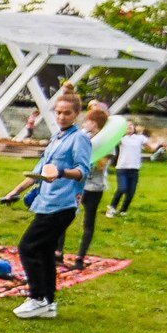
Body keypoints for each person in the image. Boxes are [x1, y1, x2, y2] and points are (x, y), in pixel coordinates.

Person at [13, 99, 93, 320]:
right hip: (46, 202)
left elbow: (83, 171)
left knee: (28, 247)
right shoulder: (57, 138)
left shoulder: (79, 139)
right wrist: (16, 192)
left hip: (63, 203)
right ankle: (48, 302)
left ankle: (36, 298)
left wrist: (61, 172)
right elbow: (39, 171)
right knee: (45, 251)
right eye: (58, 113)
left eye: (67, 113)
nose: (61, 117)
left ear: (77, 114)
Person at [73, 101, 112, 267]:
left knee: (88, 222)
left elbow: (102, 166)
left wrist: (90, 158)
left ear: (94, 123)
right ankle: (58, 253)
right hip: (78, 184)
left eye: (86, 121)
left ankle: (80, 258)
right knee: (64, 216)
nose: (84, 124)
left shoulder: (107, 143)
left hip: (94, 187)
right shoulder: (83, 138)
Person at [106, 122, 146, 217]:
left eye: (131, 125)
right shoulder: (122, 139)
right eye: (127, 126)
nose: (129, 127)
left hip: (135, 169)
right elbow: (111, 141)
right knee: (122, 188)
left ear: (134, 127)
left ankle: (123, 210)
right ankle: (112, 207)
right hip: (122, 168)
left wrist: (159, 147)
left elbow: (151, 146)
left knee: (131, 192)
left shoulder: (140, 138)